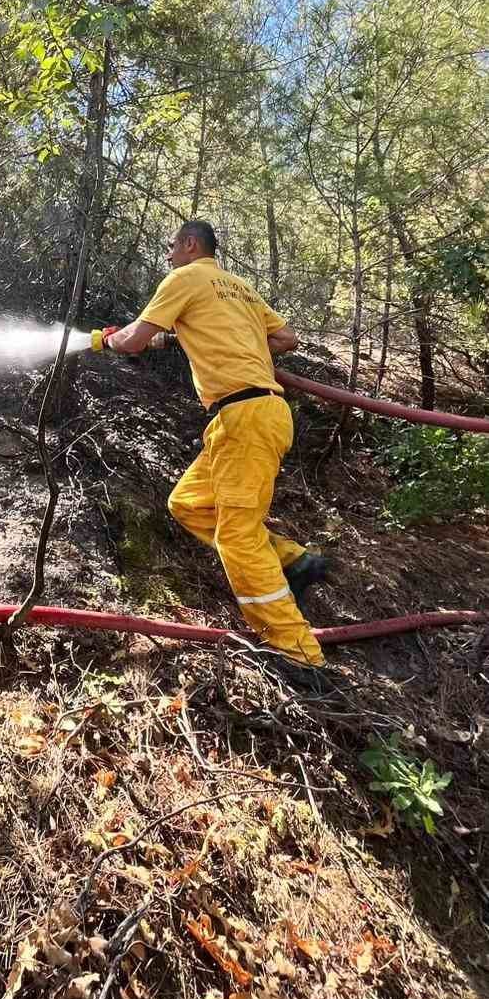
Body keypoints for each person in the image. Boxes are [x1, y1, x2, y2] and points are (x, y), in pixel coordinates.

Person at [91, 218, 331, 690]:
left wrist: (103, 339)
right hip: (248, 417)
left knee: (238, 535)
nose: (167, 256)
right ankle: (292, 561)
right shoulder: (237, 287)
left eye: (170, 246)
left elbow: (133, 340)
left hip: (245, 417)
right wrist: (232, 342)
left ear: (189, 244)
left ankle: (299, 653)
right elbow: (287, 340)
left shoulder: (185, 277)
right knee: (187, 504)